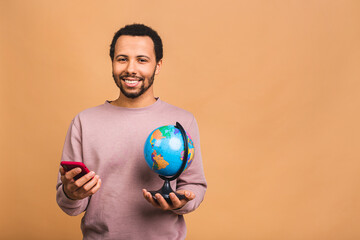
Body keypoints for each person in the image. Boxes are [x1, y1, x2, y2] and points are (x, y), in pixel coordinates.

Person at [56, 24, 207, 239]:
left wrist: (183, 201)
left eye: (142, 60)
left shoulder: (182, 121)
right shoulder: (84, 121)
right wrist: (71, 194)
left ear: (158, 65)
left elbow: (195, 184)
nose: (131, 69)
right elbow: (70, 205)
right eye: (122, 59)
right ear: (113, 63)